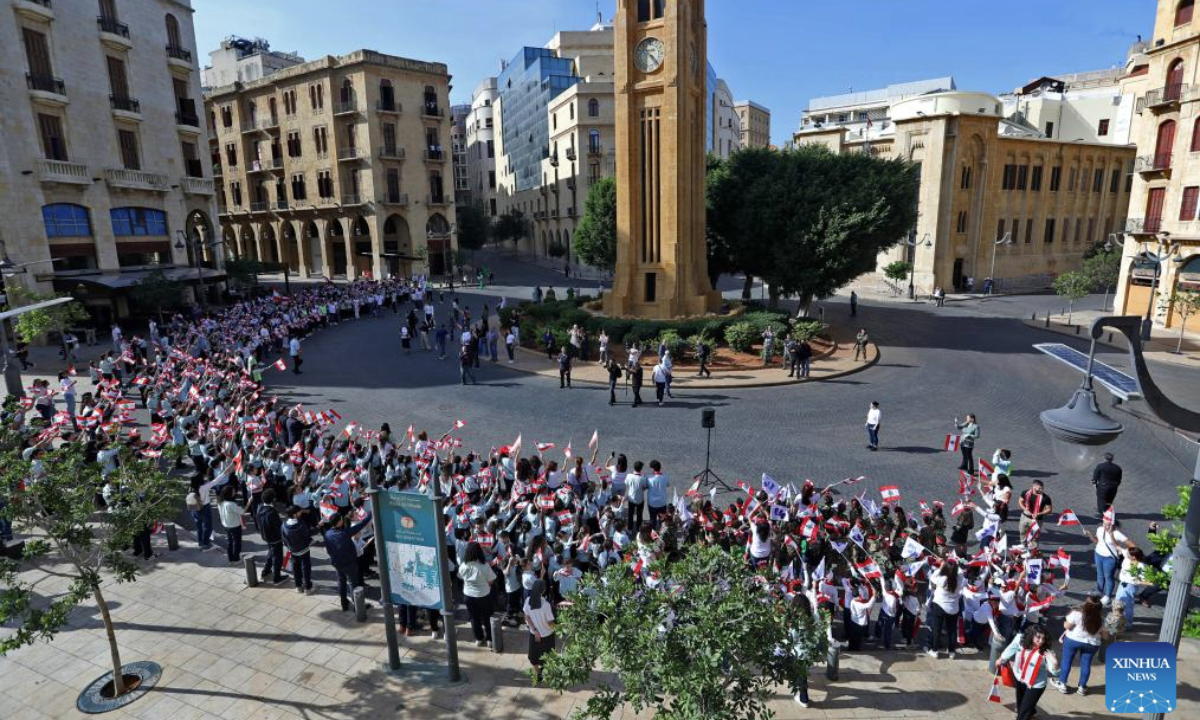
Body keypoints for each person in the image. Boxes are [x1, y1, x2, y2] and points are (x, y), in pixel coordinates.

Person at [1000, 625, 1060, 720]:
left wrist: (1055, 663)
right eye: (1038, 637)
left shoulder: (1046, 651)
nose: (1041, 641)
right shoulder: (1020, 639)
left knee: (1023, 712)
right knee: (1020, 703)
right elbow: (1012, 648)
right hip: (1019, 677)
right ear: (1031, 635)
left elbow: (1055, 672)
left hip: (1036, 684)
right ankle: (1031, 712)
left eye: (1043, 638)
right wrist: (1001, 658)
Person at [1053, 595, 1106, 695]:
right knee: (1086, 664)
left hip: (1072, 640)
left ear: (1086, 605)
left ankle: (1062, 683)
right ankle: (1082, 687)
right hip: (1092, 644)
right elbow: (1105, 636)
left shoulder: (1076, 614)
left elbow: (1067, 626)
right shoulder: (1102, 620)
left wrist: (1065, 622)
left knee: (1067, 661)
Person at [324, 509, 374, 612]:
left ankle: (344, 604)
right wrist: (370, 513)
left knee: (341, 582)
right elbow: (362, 524)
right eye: (341, 519)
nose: (343, 520)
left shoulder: (327, 534)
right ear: (339, 522)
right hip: (349, 563)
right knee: (353, 584)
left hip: (337, 563)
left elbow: (328, 549)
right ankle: (358, 607)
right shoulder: (345, 533)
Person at [1084, 507, 1132, 605]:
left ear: (1112, 524)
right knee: (1100, 574)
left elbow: (1131, 545)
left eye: (1107, 525)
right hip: (1098, 554)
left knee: (1108, 577)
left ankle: (1107, 596)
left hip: (1110, 559)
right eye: (1104, 524)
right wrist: (1090, 535)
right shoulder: (1099, 529)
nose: (1105, 526)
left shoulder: (1117, 533)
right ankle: (1099, 591)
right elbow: (1097, 541)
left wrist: (1125, 552)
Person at [458, 542, 496, 647]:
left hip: (468, 596)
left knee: (474, 618)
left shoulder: (463, 565)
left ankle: (478, 638)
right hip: (483, 595)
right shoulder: (484, 566)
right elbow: (491, 581)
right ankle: (490, 639)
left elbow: (460, 577)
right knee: (487, 617)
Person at [924, 560, 963, 658]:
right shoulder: (959, 579)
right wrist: (956, 562)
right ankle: (952, 652)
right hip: (953, 607)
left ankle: (935, 650)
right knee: (952, 630)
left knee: (937, 629)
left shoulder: (942, 579)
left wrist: (941, 567)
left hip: (939, 606)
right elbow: (961, 572)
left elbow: (932, 577)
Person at [524, 579, 556, 683]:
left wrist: (535, 630)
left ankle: (538, 675)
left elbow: (527, 617)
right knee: (548, 657)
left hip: (534, 635)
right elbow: (550, 623)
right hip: (547, 636)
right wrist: (559, 628)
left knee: (535, 657)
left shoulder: (528, 600)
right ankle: (549, 674)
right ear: (543, 590)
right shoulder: (546, 605)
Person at [254, 488, 287, 584]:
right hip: (275, 539)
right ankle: (277, 577)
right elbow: (278, 528)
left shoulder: (259, 508)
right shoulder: (272, 512)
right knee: (277, 557)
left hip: (266, 536)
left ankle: (266, 571)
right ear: (272, 499)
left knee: (270, 553)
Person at [281, 506, 315, 595]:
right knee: (306, 568)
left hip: (293, 551)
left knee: (296, 568)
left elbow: (284, 538)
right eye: (299, 512)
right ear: (294, 514)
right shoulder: (300, 524)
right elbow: (307, 535)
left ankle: (298, 586)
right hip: (304, 550)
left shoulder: (284, 524)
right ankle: (308, 587)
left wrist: (289, 547)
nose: (301, 513)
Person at [1017, 480, 1053, 550]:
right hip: (1025, 516)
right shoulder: (1025, 493)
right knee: (1022, 531)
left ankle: (1034, 550)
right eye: (1039, 488)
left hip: (1037, 519)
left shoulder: (1045, 498)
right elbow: (1020, 501)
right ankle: (1023, 545)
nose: (1041, 490)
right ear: (1033, 486)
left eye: (1042, 488)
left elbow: (1049, 509)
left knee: (1035, 536)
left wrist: (1039, 513)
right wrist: (1025, 508)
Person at [218, 486, 244, 564]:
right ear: (229, 494)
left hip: (226, 525)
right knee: (236, 542)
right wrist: (249, 502)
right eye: (233, 491)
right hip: (234, 526)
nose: (234, 492)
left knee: (230, 542)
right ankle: (236, 559)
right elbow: (242, 511)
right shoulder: (231, 504)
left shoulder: (221, 502)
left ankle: (231, 559)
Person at [645, 460, 669, 530]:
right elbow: (668, 484)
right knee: (662, 519)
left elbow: (646, 486)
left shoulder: (649, 477)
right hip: (662, 502)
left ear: (653, 469)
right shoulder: (665, 477)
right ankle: (662, 531)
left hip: (652, 503)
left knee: (652, 520)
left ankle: (653, 533)